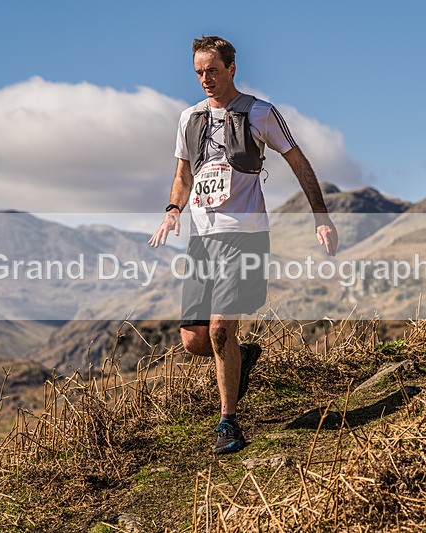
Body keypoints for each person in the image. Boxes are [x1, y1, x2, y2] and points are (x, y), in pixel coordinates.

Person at [149, 35, 337, 454]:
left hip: (244, 237)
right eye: (198, 72)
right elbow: (183, 175)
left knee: (218, 331)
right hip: (202, 239)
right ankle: (242, 355)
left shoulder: (259, 113)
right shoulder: (189, 118)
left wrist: (320, 215)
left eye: (212, 70)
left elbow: (299, 162)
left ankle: (228, 423)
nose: (205, 79)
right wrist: (172, 210)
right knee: (195, 341)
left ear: (232, 68)